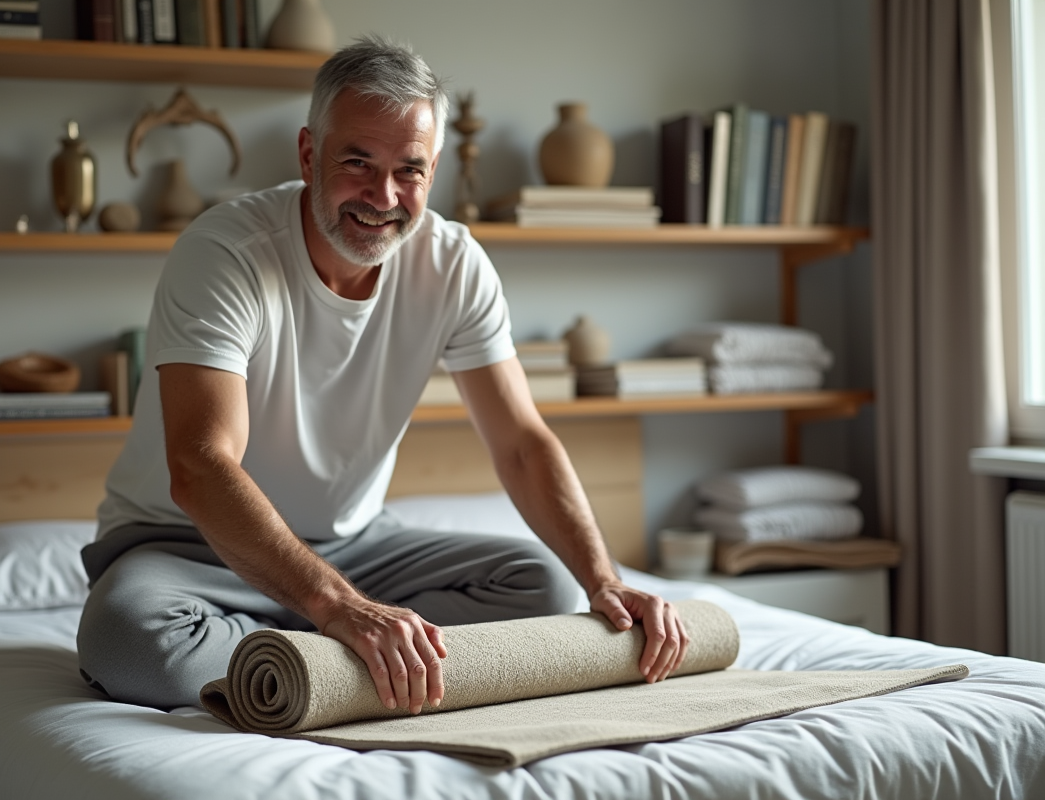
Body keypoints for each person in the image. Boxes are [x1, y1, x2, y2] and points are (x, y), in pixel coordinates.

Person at [76, 35, 688, 716]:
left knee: (544, 585)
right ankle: (339, 646)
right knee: (130, 642)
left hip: (357, 546)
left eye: (410, 170)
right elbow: (200, 465)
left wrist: (604, 579)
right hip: (191, 547)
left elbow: (521, 443)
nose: (383, 195)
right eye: (358, 162)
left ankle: (298, 658)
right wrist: (338, 608)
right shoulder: (226, 254)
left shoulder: (454, 264)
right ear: (310, 154)